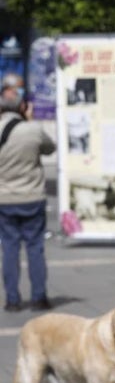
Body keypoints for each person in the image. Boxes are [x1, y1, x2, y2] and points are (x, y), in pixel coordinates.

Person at [0, 90, 56, 312]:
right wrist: (31, 120)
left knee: (9, 249)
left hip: (5, 199)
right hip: (32, 197)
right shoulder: (33, 130)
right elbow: (50, 148)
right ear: (23, 107)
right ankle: (39, 297)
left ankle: (12, 300)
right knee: (35, 248)